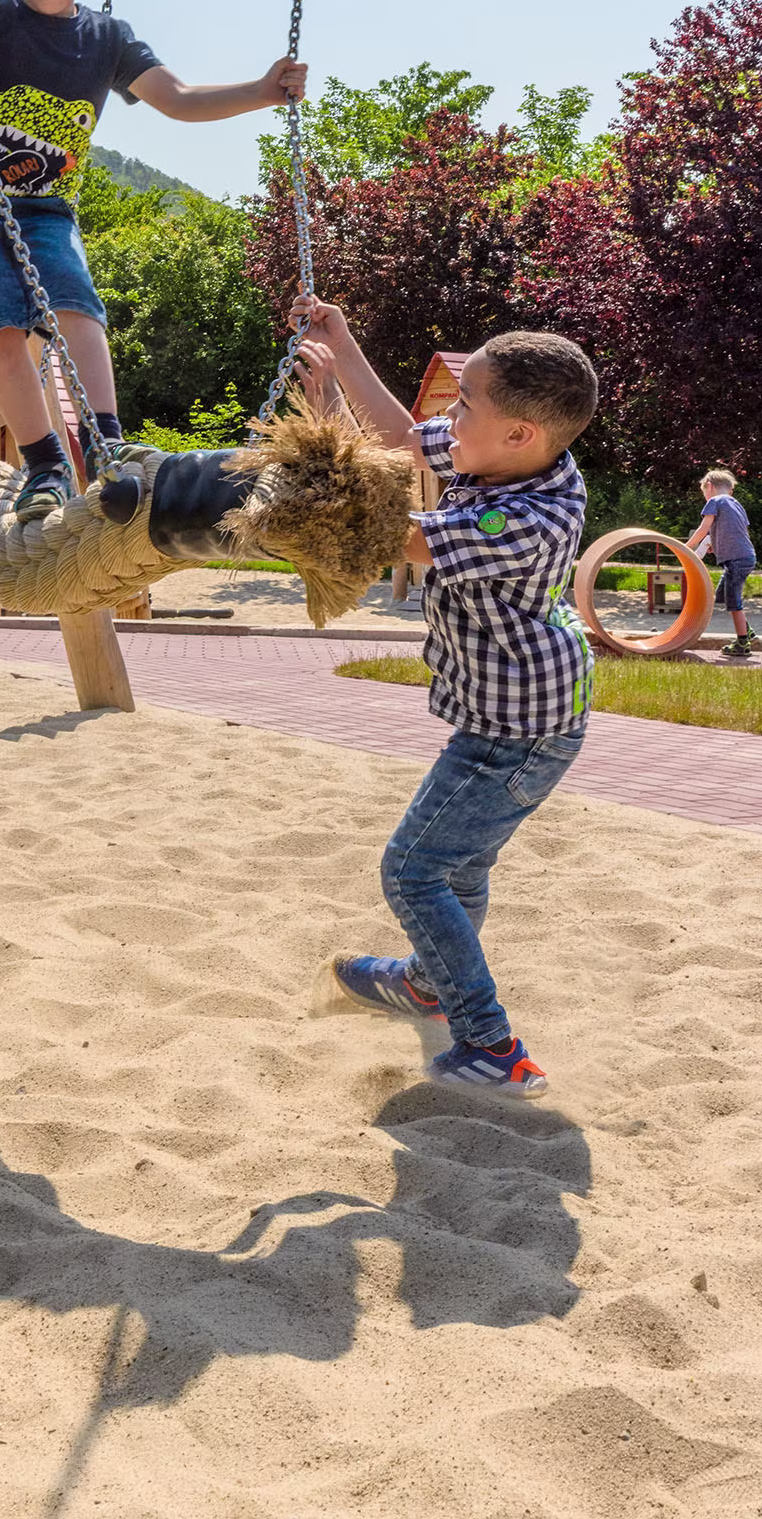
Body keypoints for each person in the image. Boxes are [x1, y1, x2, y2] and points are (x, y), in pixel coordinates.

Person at [0, 0, 307, 518]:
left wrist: (262, 91)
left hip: (44, 209)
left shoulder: (108, 39)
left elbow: (176, 99)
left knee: (76, 305)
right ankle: (45, 465)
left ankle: (107, 446)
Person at [288, 296, 600, 1099]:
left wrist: (314, 460)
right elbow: (396, 438)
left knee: (412, 870)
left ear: (520, 434)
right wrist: (340, 343)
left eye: (464, 404)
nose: (448, 418)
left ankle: (492, 1044)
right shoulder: (493, 456)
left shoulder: (527, 515)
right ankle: (432, 981)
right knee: (458, 868)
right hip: (511, 716)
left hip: (520, 733)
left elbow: (394, 533)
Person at [686, 467, 757, 657]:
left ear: (709, 486)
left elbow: (704, 528)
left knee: (733, 601)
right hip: (745, 556)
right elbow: (740, 532)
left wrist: (687, 546)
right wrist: (716, 545)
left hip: (736, 560)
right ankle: (747, 631)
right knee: (723, 596)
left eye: (704, 493)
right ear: (730, 489)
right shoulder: (736, 504)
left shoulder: (714, 501)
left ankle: (743, 643)